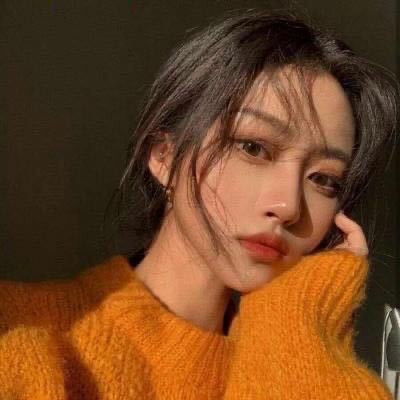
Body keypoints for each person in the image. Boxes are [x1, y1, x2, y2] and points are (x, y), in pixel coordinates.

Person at [0, 9, 398, 399]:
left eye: (324, 180)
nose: (288, 206)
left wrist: (295, 319)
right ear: (164, 157)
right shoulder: (22, 330)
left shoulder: (308, 358)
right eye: (253, 147)